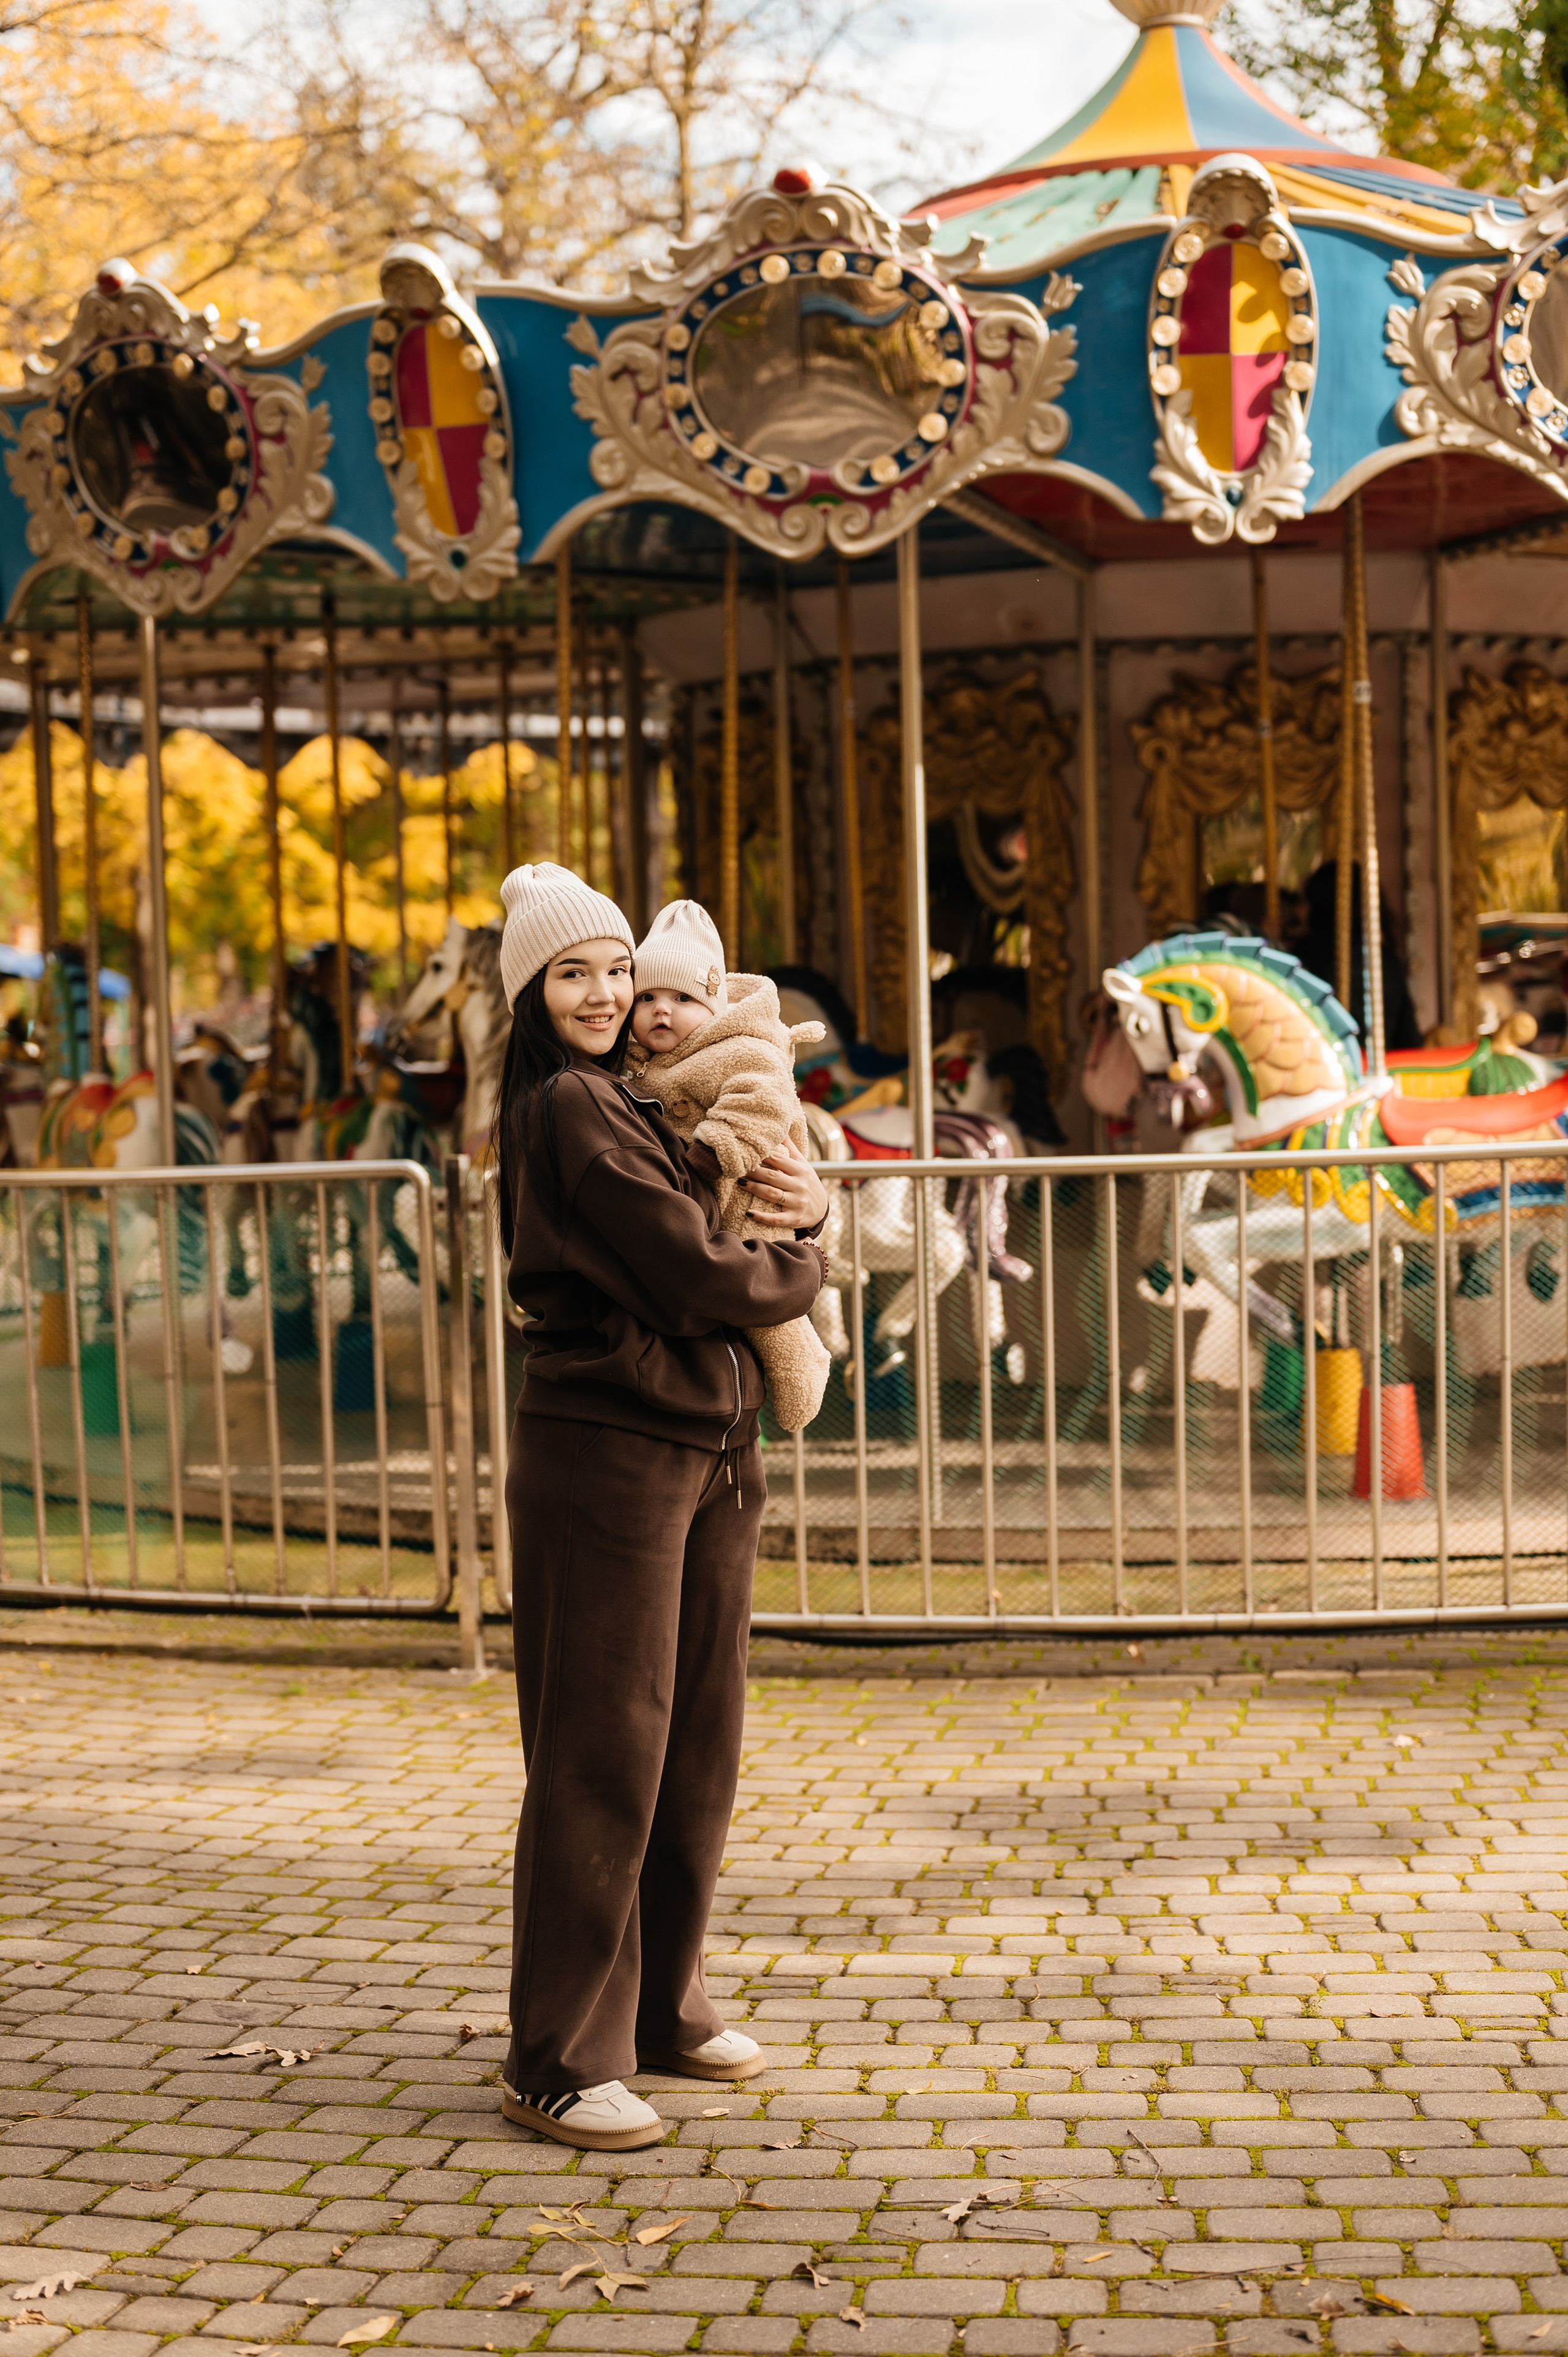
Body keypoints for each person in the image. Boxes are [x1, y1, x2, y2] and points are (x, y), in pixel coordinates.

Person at [492, 862, 829, 2154]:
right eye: (572, 972)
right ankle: (556, 2053)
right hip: (610, 1452)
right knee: (603, 1746)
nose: (603, 991)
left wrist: (789, 1216)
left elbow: (716, 1221)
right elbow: (689, 1271)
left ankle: (657, 2010)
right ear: (533, 990)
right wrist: (800, 1260)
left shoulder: (633, 1096)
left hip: (705, 1439)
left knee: (693, 1744)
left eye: (616, 968)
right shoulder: (571, 1105)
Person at [624, 898, 831, 1432]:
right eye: (646, 997)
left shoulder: (743, 1048)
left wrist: (706, 1158)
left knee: (764, 1306)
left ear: (714, 1004)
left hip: (746, 1192)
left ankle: (803, 1368)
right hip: (698, 1215)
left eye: (680, 997)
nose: (660, 1010)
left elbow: (760, 1104)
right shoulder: (641, 1063)